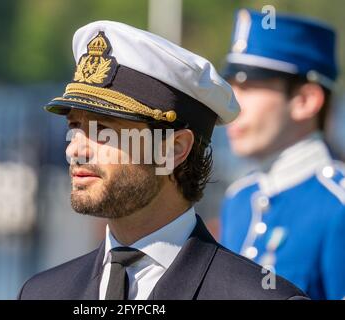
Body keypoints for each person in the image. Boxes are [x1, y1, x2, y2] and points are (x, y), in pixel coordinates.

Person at [19, 20, 307, 300]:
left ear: (175, 149)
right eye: (74, 127)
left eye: (104, 130)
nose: (75, 150)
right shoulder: (40, 293)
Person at [220, 9, 345, 300]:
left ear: (305, 100)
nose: (232, 106)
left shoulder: (338, 205)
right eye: (231, 87)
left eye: (248, 87)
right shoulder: (239, 198)